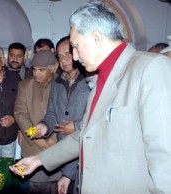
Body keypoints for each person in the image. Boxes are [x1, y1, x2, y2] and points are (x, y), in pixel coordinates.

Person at [10, 1, 171, 193]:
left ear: (96, 38)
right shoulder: (97, 79)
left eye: (76, 47)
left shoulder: (150, 68)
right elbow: (83, 136)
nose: (75, 56)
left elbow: (165, 158)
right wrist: (38, 160)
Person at [35, 36, 90, 194]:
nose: (64, 59)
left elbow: (98, 119)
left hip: (84, 154)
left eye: (68, 53)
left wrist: (77, 125)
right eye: (60, 56)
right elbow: (52, 113)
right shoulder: (57, 83)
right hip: (64, 153)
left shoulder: (90, 80)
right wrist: (44, 126)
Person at [14, 50, 60, 194]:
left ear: (53, 68)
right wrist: (36, 137)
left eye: (41, 70)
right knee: (37, 188)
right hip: (33, 147)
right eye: (34, 69)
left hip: (58, 145)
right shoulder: (25, 86)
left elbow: (64, 114)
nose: (36, 74)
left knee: (59, 186)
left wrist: (53, 139)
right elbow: (20, 114)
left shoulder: (62, 84)